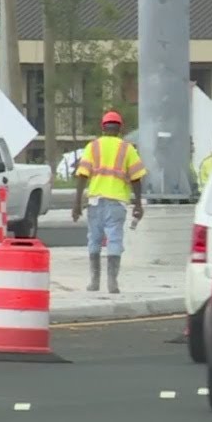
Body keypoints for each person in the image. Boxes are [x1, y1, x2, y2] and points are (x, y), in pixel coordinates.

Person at [71, 110, 147, 294]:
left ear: (103, 128)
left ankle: (94, 282)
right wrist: (138, 204)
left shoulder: (93, 146)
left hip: (95, 201)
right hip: (117, 202)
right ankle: (112, 283)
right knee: (114, 240)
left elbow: (82, 176)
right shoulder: (127, 148)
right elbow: (137, 178)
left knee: (94, 240)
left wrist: (76, 203)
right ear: (120, 128)